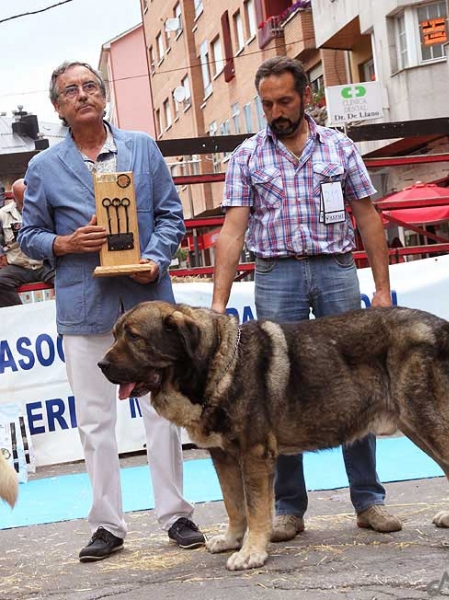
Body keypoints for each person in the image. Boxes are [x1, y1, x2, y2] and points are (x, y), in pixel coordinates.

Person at [19, 61, 205, 562]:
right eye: (71, 91)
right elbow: (28, 236)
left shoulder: (143, 147)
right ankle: (107, 526)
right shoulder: (43, 168)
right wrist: (64, 242)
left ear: (104, 96)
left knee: (163, 411)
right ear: (58, 107)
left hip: (149, 307)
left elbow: (171, 214)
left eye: (91, 87)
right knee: (94, 420)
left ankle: (176, 514)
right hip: (86, 308)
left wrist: (157, 258)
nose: (83, 95)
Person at [211, 56, 402, 543]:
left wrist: (380, 290)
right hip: (276, 275)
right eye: (267, 103)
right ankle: (288, 508)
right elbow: (232, 233)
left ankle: (369, 500)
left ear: (307, 97)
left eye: (285, 101)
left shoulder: (340, 147)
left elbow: (369, 216)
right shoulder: (246, 156)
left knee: (356, 382)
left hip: (336, 269)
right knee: (275, 393)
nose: (276, 110)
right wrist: (218, 305)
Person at [0, 179, 54, 307]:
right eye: (23, 202)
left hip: (46, 264)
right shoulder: (3, 214)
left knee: (70, 276)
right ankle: (19, 314)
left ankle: (59, 314)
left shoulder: (47, 209)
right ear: (13, 198)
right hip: (18, 266)